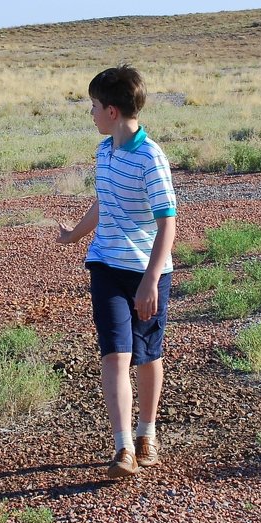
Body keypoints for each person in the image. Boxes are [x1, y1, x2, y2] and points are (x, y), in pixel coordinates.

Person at [56, 64, 177, 479]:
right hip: (105, 264)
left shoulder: (150, 157)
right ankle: (123, 446)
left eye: (92, 106)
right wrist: (74, 234)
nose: (89, 114)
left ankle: (147, 434)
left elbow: (168, 224)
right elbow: (103, 202)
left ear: (111, 111)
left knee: (146, 356)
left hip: (147, 274)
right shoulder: (104, 152)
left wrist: (150, 282)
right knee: (114, 354)